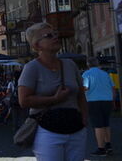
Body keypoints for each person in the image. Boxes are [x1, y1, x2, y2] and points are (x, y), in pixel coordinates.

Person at [18, 22, 88, 161]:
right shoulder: (31, 68)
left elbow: (80, 94)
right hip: (48, 130)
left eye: (55, 34)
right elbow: (24, 101)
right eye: (49, 36)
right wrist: (54, 99)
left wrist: (84, 119)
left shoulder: (69, 64)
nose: (55, 37)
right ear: (37, 45)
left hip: (76, 128)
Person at [82, 57, 115, 156]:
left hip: (93, 101)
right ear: (97, 64)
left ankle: (101, 149)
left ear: (88, 64)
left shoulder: (86, 74)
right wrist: (113, 101)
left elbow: (85, 88)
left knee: (98, 125)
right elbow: (113, 88)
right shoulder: (105, 74)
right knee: (106, 124)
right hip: (107, 101)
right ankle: (108, 145)